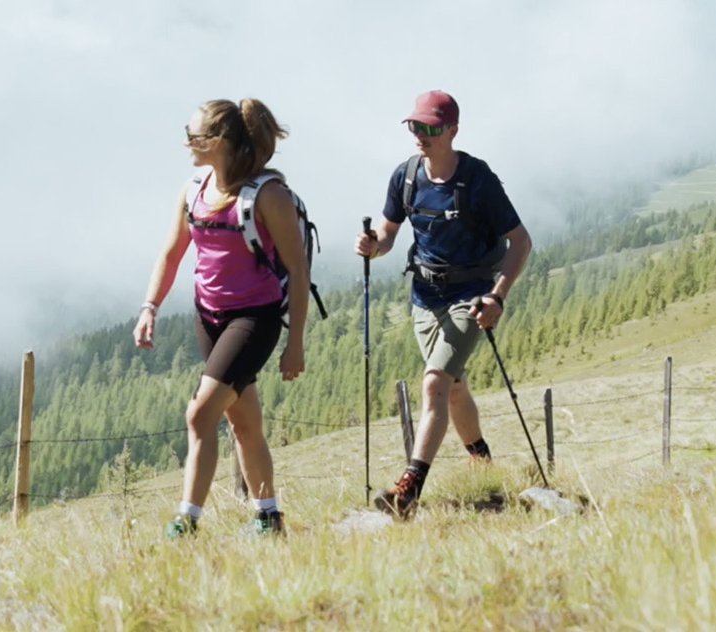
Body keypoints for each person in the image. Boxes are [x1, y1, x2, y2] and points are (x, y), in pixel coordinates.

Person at [135, 98, 311, 537]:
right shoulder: (193, 188)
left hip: (254, 319)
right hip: (208, 316)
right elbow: (172, 252)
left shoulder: (268, 196)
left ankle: (186, 522)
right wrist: (149, 308)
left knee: (199, 415)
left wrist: (295, 343)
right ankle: (268, 517)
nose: (187, 143)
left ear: (220, 142)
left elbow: (298, 269)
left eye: (194, 136)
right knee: (243, 421)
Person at [354, 90, 533, 519]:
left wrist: (497, 297)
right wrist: (373, 245)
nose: (421, 135)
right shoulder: (406, 176)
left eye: (431, 128)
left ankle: (409, 491)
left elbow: (521, 242)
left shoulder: (477, 180)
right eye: (416, 126)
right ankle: (481, 460)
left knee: (435, 382)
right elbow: (390, 233)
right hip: (424, 297)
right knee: (453, 389)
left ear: (453, 130)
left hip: (470, 295)